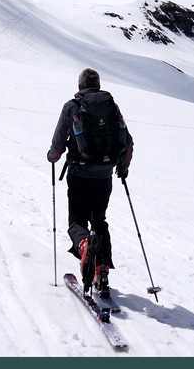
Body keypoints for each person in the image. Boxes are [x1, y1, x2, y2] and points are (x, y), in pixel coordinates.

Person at [47, 67, 133, 295]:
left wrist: (53, 156)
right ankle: (101, 267)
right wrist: (122, 168)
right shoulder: (111, 107)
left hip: (79, 174)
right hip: (104, 175)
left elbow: (58, 141)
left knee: (77, 222)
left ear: (79, 86)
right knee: (99, 220)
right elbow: (127, 142)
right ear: (98, 85)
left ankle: (85, 247)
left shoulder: (72, 107)